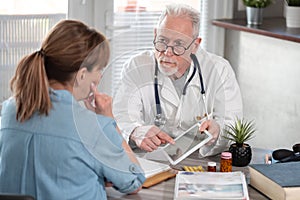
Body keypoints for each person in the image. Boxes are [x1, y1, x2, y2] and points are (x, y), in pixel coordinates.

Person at [0, 19, 145, 199]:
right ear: (82, 74)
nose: (99, 77)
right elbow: (134, 182)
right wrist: (109, 121)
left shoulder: (9, 110)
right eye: (99, 70)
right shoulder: (90, 127)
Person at [113, 4, 243, 157]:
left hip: (200, 158)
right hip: (151, 158)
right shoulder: (137, 66)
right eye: (162, 41)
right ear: (155, 34)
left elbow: (232, 125)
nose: (168, 52)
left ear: (195, 45)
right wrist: (135, 131)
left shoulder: (220, 70)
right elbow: (121, 115)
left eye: (178, 45)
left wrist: (217, 131)